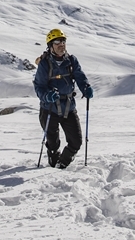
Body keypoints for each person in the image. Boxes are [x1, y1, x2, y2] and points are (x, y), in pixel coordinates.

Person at [33, 28, 93, 169]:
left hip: (68, 107)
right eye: (57, 42)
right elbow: (39, 86)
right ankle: (53, 163)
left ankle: (62, 166)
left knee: (76, 142)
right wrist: (47, 95)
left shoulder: (71, 61)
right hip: (49, 109)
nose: (61, 44)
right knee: (53, 145)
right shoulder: (45, 64)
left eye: (63, 41)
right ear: (50, 45)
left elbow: (80, 77)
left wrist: (86, 88)